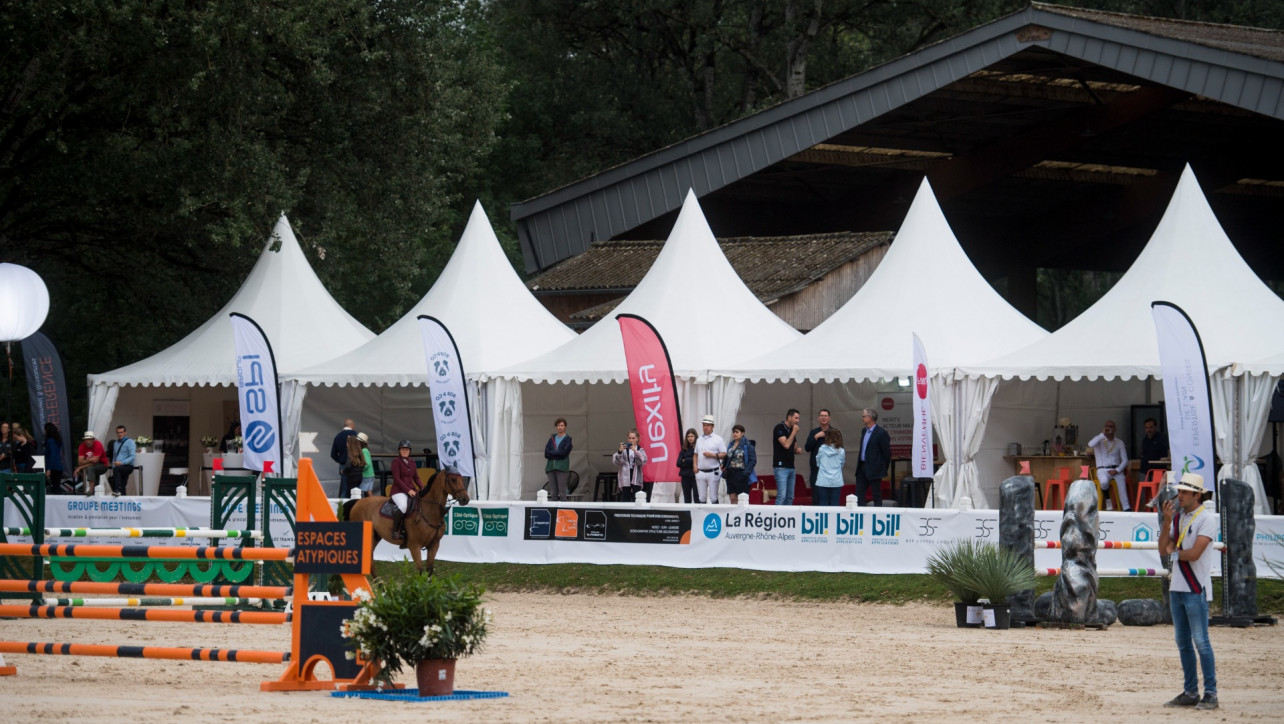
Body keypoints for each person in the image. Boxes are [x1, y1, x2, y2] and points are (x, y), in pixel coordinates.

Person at [1159, 472, 1218, 711]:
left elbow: (1193, 554)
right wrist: (1165, 523)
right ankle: (1191, 691)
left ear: (1196, 494)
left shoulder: (1206, 519)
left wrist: (1174, 550)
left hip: (1195, 587)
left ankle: (1211, 693)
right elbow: (1163, 548)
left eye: (1183, 492)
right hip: (1179, 587)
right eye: (1179, 491)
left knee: (1201, 641)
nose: (1178, 495)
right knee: (1183, 642)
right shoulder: (1177, 518)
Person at [1086, 420, 1131, 511]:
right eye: (1107, 426)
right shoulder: (1099, 440)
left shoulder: (1119, 442)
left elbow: (1125, 460)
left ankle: (1126, 508)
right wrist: (1102, 434)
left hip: (1116, 469)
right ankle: (1107, 499)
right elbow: (1090, 444)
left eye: (1111, 426)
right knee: (1103, 481)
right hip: (1102, 469)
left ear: (1115, 429)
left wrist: (1117, 470)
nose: (1109, 428)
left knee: (1122, 484)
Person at [854, 408, 891, 507]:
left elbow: (887, 454)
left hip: (875, 469)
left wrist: (881, 468)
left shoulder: (881, 433)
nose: (862, 418)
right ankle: (861, 515)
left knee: (876, 495)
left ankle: (877, 515)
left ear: (870, 418)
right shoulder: (864, 431)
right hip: (862, 467)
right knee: (859, 495)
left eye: (863, 416)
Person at [389, 440, 419, 541]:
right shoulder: (396, 462)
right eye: (403, 449)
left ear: (410, 451)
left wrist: (423, 489)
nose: (405, 451)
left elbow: (416, 478)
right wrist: (408, 490)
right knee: (403, 506)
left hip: (411, 490)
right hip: (398, 491)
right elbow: (397, 479)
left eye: (407, 449)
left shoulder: (412, 462)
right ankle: (395, 530)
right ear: (399, 450)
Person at [772, 408, 804, 506]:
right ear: (789, 417)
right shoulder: (779, 428)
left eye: (798, 419)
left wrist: (797, 450)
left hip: (791, 467)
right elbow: (785, 445)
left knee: (790, 497)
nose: (797, 421)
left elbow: (792, 447)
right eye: (796, 418)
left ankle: (787, 518)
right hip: (781, 467)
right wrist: (794, 432)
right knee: (782, 496)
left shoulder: (791, 430)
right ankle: (776, 518)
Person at [693, 415, 726, 504]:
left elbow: (724, 454)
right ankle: (702, 517)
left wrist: (712, 455)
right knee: (701, 498)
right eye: (704, 425)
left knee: (714, 498)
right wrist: (695, 465)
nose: (705, 427)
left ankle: (716, 517)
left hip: (713, 471)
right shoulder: (699, 439)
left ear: (712, 426)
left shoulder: (718, 439)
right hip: (701, 472)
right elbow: (695, 454)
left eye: (708, 425)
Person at [720, 424, 756, 502]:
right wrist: (724, 464)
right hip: (730, 474)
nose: (734, 434)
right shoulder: (730, 445)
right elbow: (728, 457)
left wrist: (746, 473)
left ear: (742, 433)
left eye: (737, 432)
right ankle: (734, 514)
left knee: (742, 499)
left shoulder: (748, 445)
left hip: (741, 473)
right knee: (732, 498)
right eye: (733, 432)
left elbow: (753, 460)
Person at [612, 429, 648, 501]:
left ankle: (637, 511)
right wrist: (619, 451)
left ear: (637, 439)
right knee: (625, 497)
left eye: (633, 438)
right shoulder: (624, 450)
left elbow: (642, 461)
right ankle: (625, 511)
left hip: (636, 475)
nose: (631, 440)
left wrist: (635, 451)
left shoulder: (640, 449)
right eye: (629, 438)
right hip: (625, 475)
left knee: (637, 496)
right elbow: (616, 462)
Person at [814, 428, 846, 506]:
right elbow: (842, 464)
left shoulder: (821, 449)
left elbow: (818, 463)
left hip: (823, 480)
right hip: (836, 480)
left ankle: (823, 518)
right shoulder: (841, 451)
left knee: (823, 503)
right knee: (835, 504)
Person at [544, 418, 573, 501]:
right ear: (556, 427)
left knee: (562, 492)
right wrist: (557, 452)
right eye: (558, 425)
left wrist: (553, 453)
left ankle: (564, 511)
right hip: (550, 467)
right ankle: (554, 511)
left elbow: (564, 453)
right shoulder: (551, 439)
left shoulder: (568, 439)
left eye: (562, 425)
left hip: (562, 467)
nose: (560, 427)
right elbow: (546, 453)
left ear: (565, 427)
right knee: (553, 493)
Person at [803, 409, 832, 491]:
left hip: (830, 470)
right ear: (818, 418)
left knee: (828, 496)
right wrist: (816, 437)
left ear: (829, 418)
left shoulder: (834, 432)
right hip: (816, 470)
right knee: (816, 496)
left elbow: (840, 450)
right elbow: (807, 448)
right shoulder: (813, 432)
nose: (824, 418)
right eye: (822, 416)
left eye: (825, 416)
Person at [74, 431, 108, 495]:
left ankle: (90, 490)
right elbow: (80, 462)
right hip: (93, 465)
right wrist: (90, 460)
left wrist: (81, 466)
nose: (88, 441)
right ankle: (95, 493)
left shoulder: (98, 444)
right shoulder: (82, 446)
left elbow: (95, 461)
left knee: (90, 468)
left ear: (93, 439)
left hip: (103, 465)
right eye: (86, 440)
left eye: (89, 439)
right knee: (92, 474)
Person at [108, 425, 136, 496]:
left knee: (117, 470)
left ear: (125, 433)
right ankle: (123, 498)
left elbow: (132, 456)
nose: (119, 434)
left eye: (121, 432)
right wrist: (113, 465)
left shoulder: (130, 442)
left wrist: (121, 463)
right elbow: (114, 456)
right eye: (118, 432)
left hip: (128, 466)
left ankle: (117, 490)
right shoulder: (115, 443)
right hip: (118, 466)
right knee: (123, 484)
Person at [676, 428, 698, 504]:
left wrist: (685, 460)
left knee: (697, 498)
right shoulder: (684, 448)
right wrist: (691, 460)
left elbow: (697, 460)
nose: (690, 438)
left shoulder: (697, 448)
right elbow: (678, 463)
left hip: (695, 475)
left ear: (695, 437)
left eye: (692, 436)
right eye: (688, 436)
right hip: (685, 476)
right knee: (687, 499)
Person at [340, 435, 364, 500]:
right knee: (358, 493)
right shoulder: (360, 452)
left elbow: (348, 466)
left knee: (350, 494)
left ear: (349, 444)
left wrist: (343, 471)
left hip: (352, 476)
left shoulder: (350, 454)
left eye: (347, 443)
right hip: (359, 475)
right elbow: (363, 463)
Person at [44, 422, 65, 493]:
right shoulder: (57, 440)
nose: (44, 432)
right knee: (57, 485)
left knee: (55, 486)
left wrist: (49, 468)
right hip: (58, 466)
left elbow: (52, 454)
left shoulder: (50, 441)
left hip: (53, 467)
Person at [356, 432, 375, 496]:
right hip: (370, 474)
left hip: (366, 475)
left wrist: (361, 469)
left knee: (360, 493)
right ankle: (373, 504)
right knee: (369, 492)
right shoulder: (366, 450)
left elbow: (367, 464)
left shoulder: (363, 451)